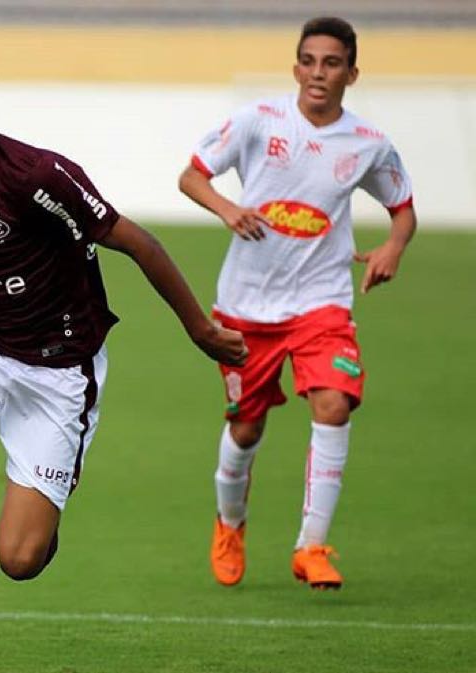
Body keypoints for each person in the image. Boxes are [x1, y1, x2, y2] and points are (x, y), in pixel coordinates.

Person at [0, 25, 247, 673]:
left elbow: (139, 242)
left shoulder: (33, 173)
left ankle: (48, 495)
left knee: (19, 559)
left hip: (59, 368)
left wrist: (201, 330)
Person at [178, 17, 416, 590]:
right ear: (295, 68)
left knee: (334, 406)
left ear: (351, 73)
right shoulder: (259, 122)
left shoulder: (368, 144)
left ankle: (312, 545)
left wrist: (392, 248)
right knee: (245, 426)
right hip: (244, 307)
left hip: (321, 302)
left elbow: (402, 208)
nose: (318, 73)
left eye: (331, 63)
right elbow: (191, 176)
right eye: (308, 61)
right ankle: (230, 522)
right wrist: (228, 209)